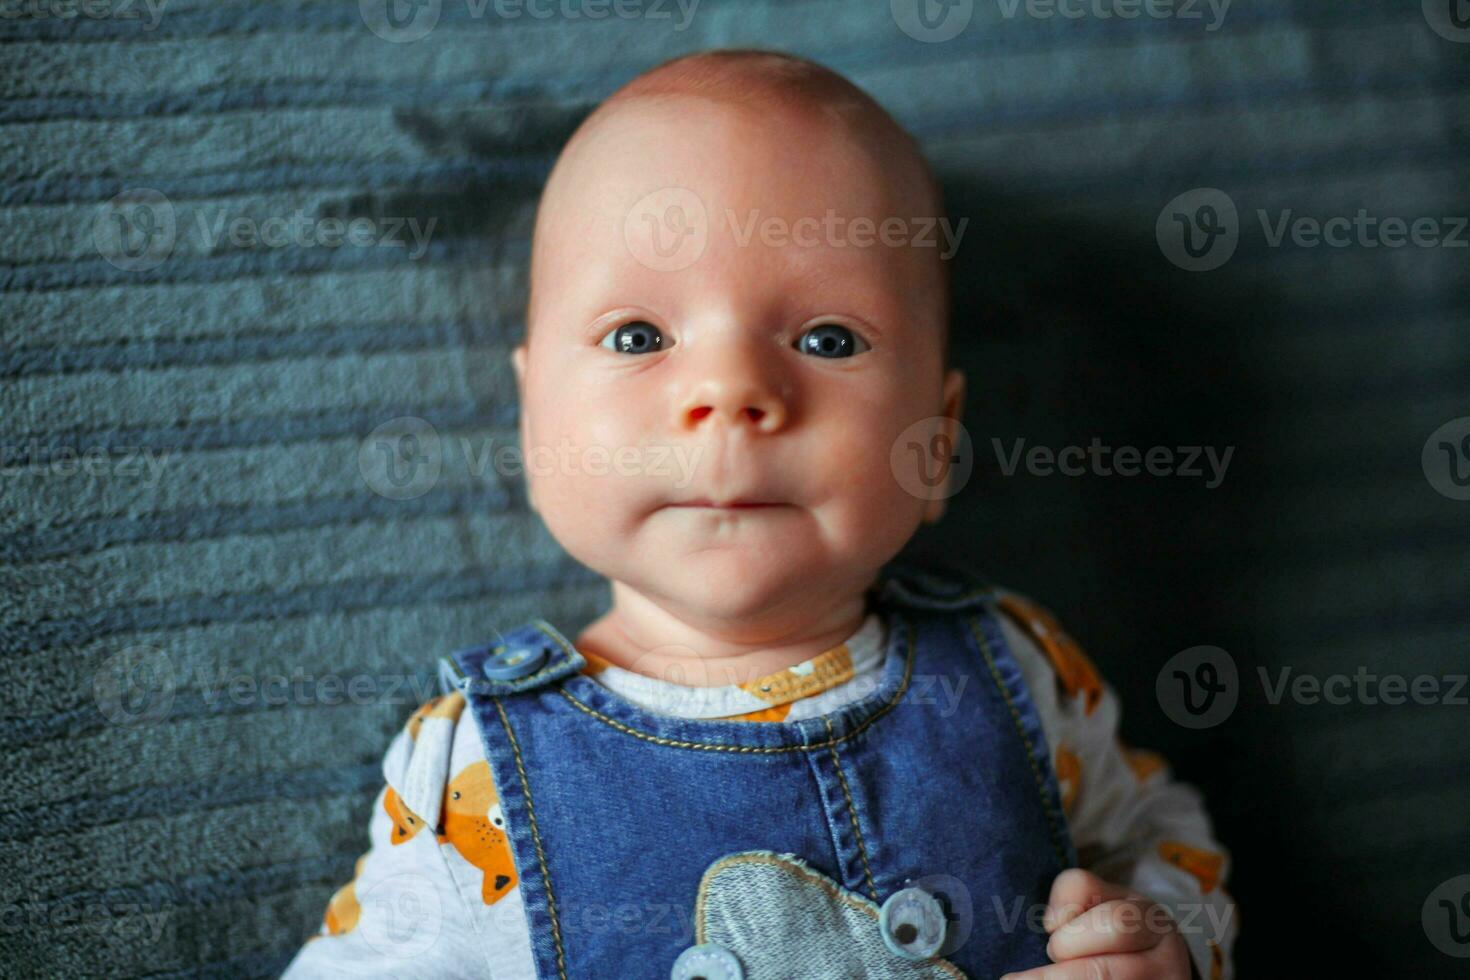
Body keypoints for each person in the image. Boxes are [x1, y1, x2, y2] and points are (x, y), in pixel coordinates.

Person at [284, 49, 1236, 980]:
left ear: (938, 442)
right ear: (534, 425)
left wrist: (1165, 944)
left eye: (828, 337)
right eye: (638, 335)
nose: (731, 390)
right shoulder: (476, 775)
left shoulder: (1019, 671)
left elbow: (1160, 841)